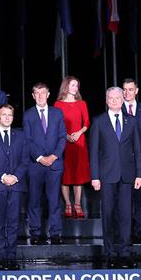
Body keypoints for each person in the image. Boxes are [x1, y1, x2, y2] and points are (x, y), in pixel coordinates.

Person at [90, 87, 141, 268]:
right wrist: (95, 176)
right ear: (106, 100)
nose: (114, 101)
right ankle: (110, 254)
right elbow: (94, 153)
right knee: (108, 214)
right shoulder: (98, 121)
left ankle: (125, 253)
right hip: (106, 176)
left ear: (123, 100)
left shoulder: (132, 121)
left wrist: (139, 174)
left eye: (117, 98)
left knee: (126, 215)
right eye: (110, 98)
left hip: (127, 176)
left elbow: (138, 150)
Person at [0, 105, 27, 270]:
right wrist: (3, 177)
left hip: (16, 185)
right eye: (4, 114)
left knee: (14, 223)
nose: (7, 117)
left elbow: (25, 161)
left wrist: (15, 177)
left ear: (13, 118)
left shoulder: (21, 137)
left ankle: (11, 257)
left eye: (10, 115)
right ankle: (1, 258)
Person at [23, 82, 66, 244]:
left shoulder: (57, 113)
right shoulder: (28, 115)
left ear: (48, 94)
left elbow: (62, 137)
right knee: (34, 200)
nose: (40, 96)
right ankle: (35, 233)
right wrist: (41, 158)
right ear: (33, 96)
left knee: (54, 200)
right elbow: (27, 141)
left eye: (43, 93)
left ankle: (55, 233)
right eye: (37, 93)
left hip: (54, 165)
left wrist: (53, 156)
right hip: (35, 165)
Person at [120, 79, 141, 243]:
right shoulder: (116, 108)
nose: (127, 93)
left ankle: (139, 231)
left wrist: (140, 150)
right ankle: (123, 232)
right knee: (124, 198)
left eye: (130, 89)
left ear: (137, 90)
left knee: (139, 198)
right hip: (122, 161)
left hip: (140, 160)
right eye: (124, 90)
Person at [54, 76, 90, 219]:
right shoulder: (58, 105)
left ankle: (77, 204)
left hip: (79, 142)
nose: (75, 88)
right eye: (73, 85)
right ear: (66, 87)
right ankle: (68, 204)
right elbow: (57, 124)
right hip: (64, 142)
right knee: (66, 175)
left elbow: (86, 122)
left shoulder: (82, 103)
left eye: (77, 85)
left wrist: (79, 133)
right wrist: (67, 135)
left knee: (78, 175)